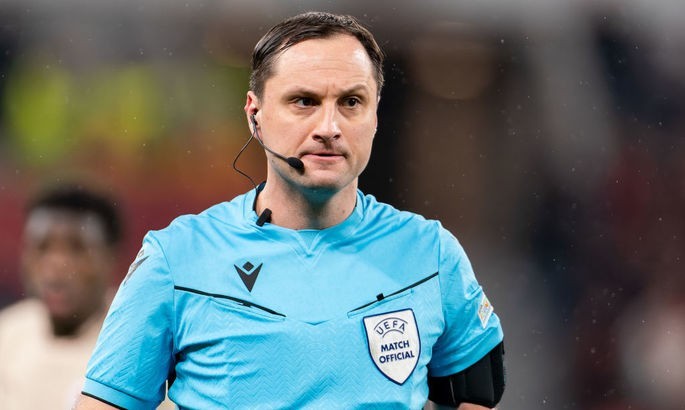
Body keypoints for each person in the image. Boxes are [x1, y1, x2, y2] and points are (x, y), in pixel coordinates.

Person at [76, 11, 505, 410]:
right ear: (255, 115)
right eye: (303, 101)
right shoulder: (177, 258)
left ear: (375, 116)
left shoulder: (431, 253)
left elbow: (477, 394)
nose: (329, 128)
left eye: (351, 102)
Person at [0, 184, 122, 409]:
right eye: (42, 247)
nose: (57, 264)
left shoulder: (137, 345)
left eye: (77, 248)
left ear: (110, 257)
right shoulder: (7, 336)